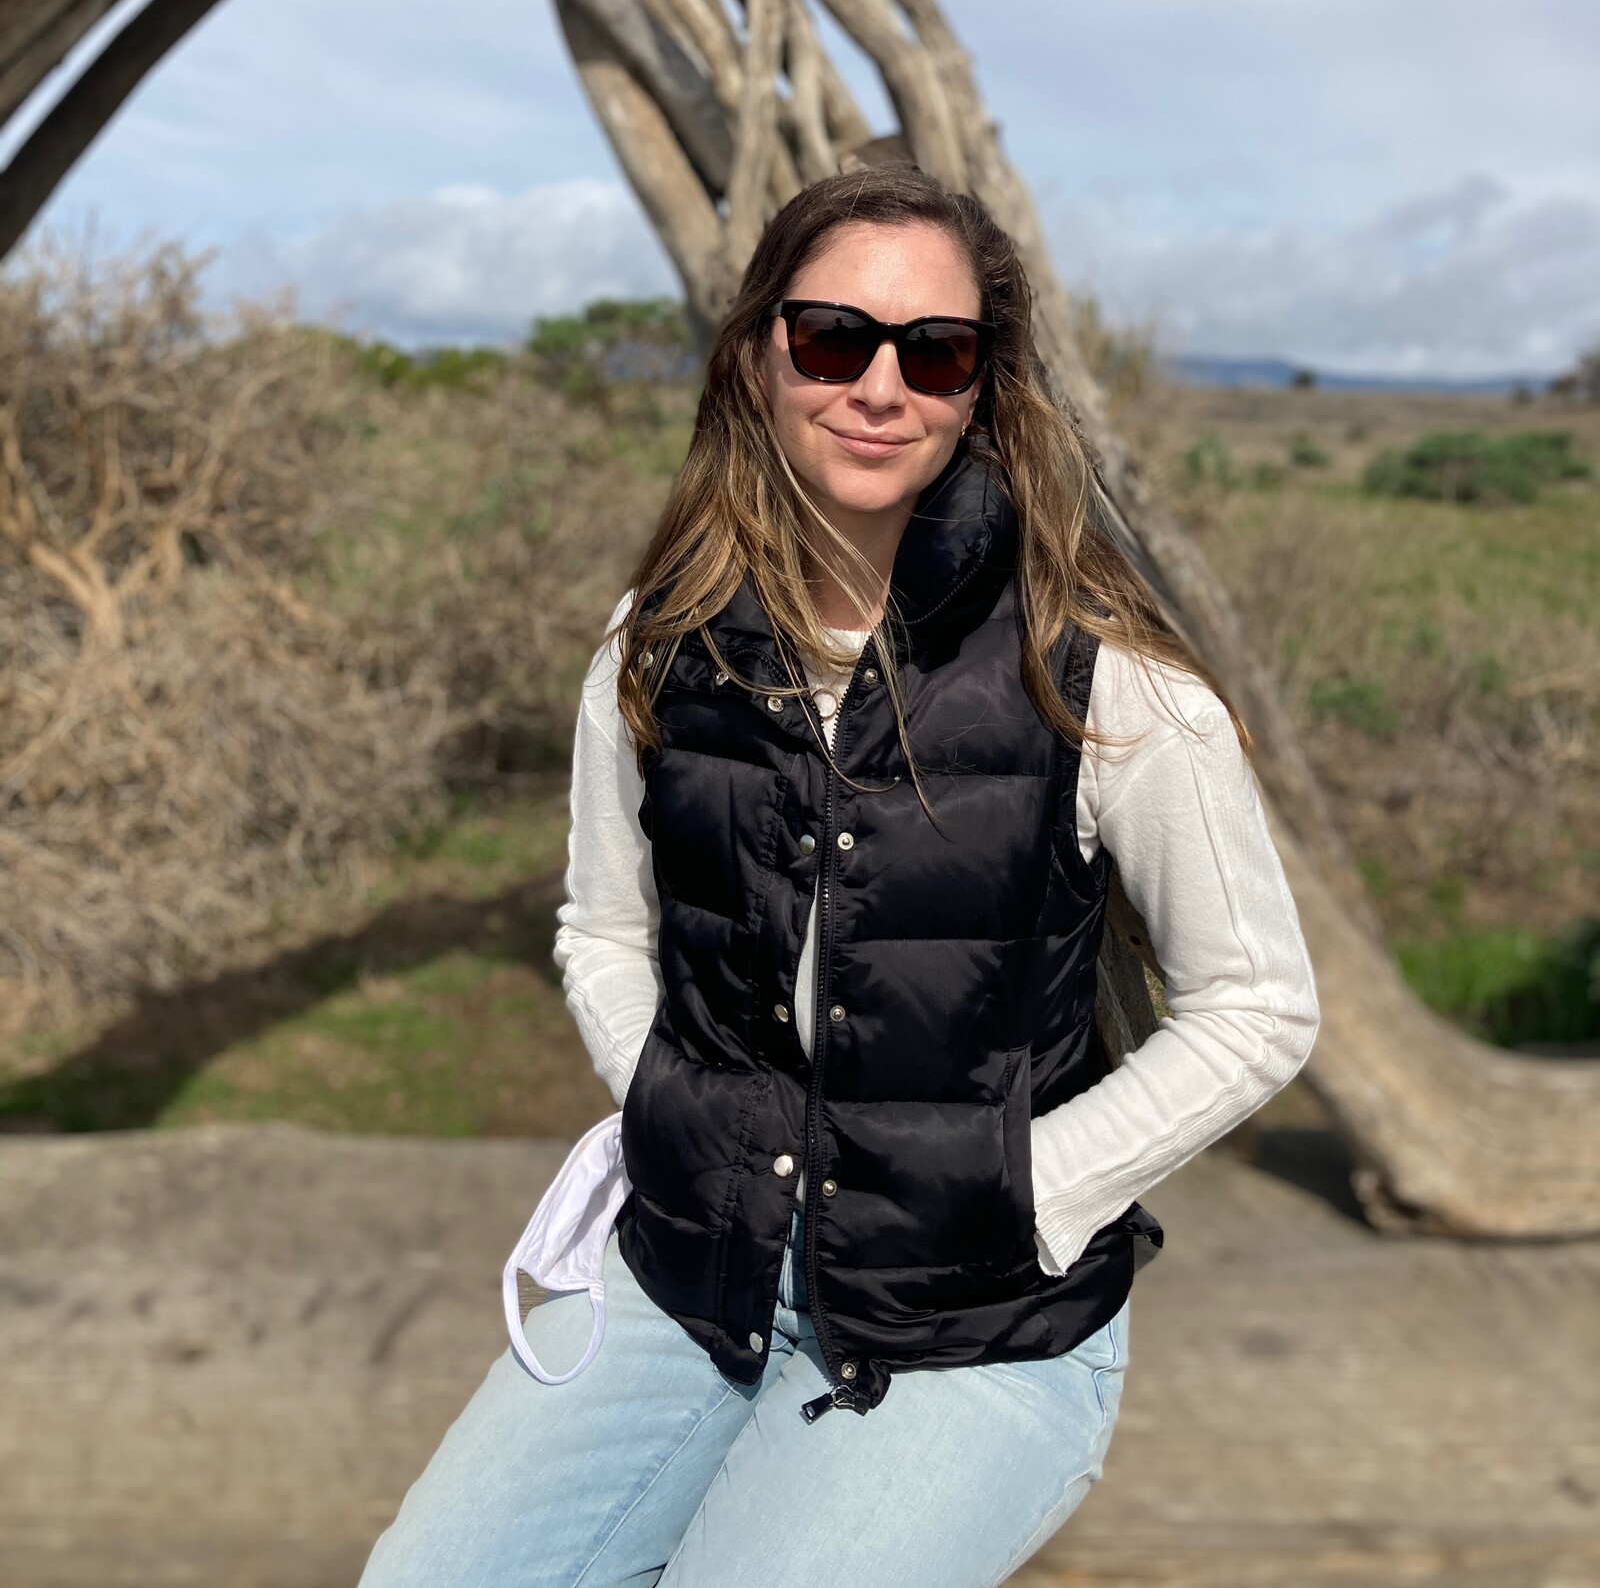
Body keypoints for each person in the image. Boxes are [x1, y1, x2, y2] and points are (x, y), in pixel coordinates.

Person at [359, 142, 1320, 1588]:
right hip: (694, 1268)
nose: (880, 385)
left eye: (934, 352)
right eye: (832, 337)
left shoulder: (1100, 682)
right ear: (760, 352)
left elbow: (1258, 1007)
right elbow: (602, 930)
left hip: (974, 1322)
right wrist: (671, 1111)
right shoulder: (656, 644)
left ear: (980, 387)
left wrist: (1028, 1186)